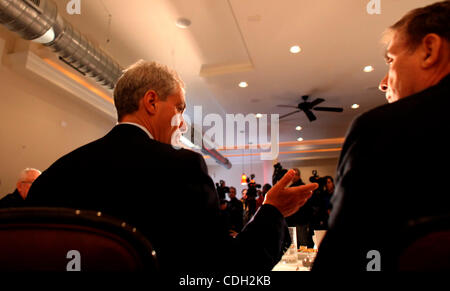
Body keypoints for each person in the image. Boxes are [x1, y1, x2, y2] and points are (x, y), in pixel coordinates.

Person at [27, 60, 318, 272]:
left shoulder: (52, 176)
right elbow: (228, 271)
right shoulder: (183, 167)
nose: (181, 122)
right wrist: (272, 210)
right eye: (179, 108)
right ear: (151, 101)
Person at [313, 1, 450, 271]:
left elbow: (343, 261)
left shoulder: (382, 130)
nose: (383, 82)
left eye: (391, 59)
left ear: (429, 50)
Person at [285, 168, 314, 248]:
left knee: (301, 242)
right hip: (294, 219)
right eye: (292, 176)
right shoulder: (291, 188)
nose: (293, 177)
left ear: (299, 176)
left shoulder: (302, 187)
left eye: (295, 175)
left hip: (301, 219)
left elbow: (306, 204)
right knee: (296, 243)